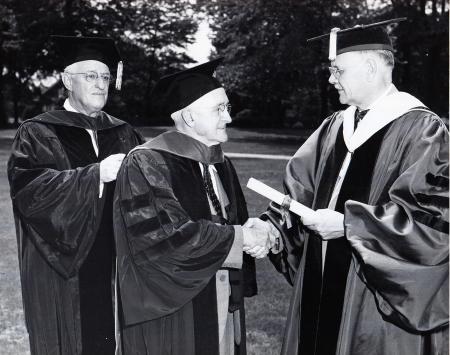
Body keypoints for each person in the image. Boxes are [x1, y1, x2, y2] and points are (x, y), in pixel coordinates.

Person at [253, 19, 449, 355]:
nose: (331, 79)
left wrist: (348, 224)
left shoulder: (423, 130)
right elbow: (299, 189)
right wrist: (271, 229)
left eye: (337, 70)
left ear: (371, 67)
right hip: (321, 279)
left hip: (372, 301)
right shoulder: (334, 126)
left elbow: (431, 219)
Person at [113, 58, 272, 355]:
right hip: (173, 311)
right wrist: (240, 238)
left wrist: (258, 234)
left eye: (227, 107)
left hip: (223, 305)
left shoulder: (220, 164)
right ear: (189, 117)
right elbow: (164, 238)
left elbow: (235, 224)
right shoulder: (146, 162)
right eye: (219, 109)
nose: (229, 118)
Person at [8, 35, 143, 355]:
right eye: (90, 76)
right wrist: (95, 175)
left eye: (106, 77)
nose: (101, 84)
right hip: (60, 265)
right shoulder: (37, 131)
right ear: (68, 80)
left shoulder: (124, 132)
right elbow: (30, 191)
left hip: (114, 265)